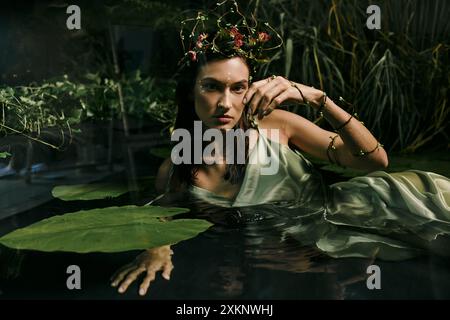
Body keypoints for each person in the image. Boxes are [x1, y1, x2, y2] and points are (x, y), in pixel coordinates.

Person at [111, 0, 450, 296]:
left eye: (238, 88)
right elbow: (161, 210)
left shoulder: (276, 124)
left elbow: (376, 161)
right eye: (212, 87)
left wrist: (319, 99)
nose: (225, 103)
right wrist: (157, 246)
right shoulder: (175, 169)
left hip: (378, 205)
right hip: (309, 247)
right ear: (190, 92)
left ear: (250, 88)